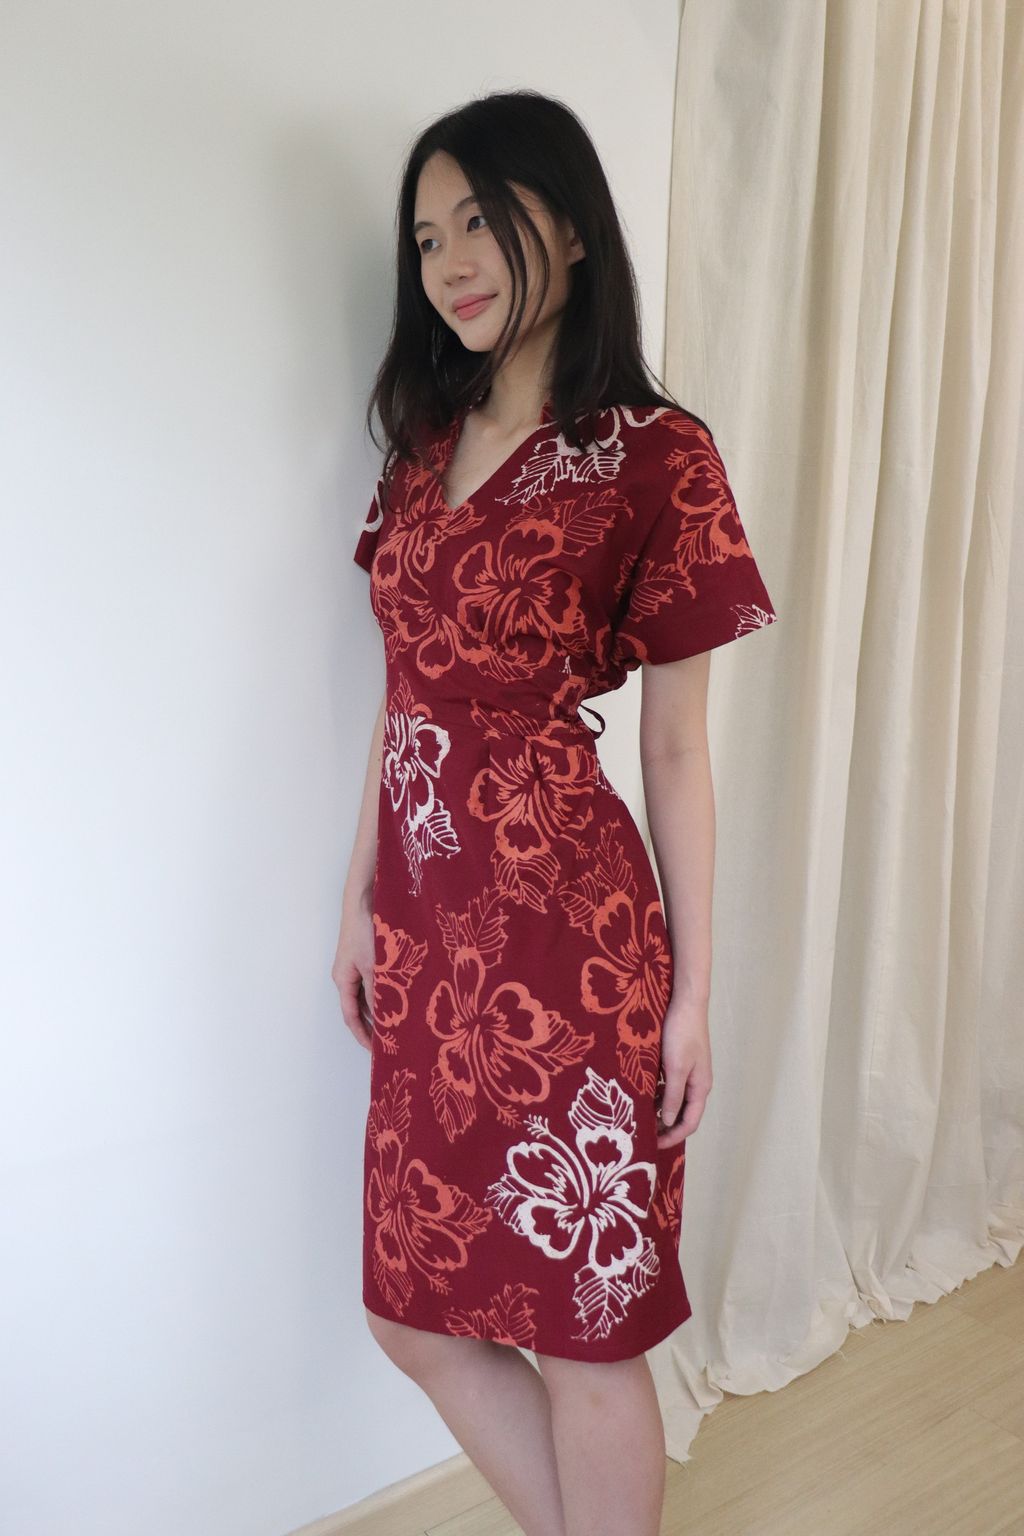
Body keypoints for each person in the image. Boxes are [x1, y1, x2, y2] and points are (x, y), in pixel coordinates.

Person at [333, 88, 778, 1536]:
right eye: (427, 237)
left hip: (570, 941)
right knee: (413, 1311)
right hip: (426, 939)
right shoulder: (422, 443)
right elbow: (404, 695)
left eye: (484, 219)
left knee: (587, 1324)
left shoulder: (657, 455)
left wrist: (692, 996)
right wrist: (357, 902)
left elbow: (678, 751)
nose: (451, 261)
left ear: (572, 230)